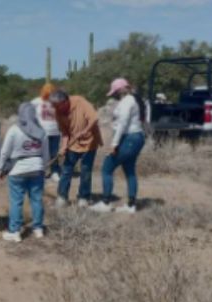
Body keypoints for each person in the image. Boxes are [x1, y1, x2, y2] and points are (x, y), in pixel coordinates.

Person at [0, 103, 49, 243]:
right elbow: (46, 154)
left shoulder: (14, 129)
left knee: (16, 202)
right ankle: (38, 228)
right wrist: (43, 168)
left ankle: (15, 231)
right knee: (36, 199)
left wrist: (0, 167)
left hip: (18, 169)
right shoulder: (41, 131)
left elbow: (5, 151)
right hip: (37, 168)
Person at [90, 78, 145, 214]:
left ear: (120, 90)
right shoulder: (133, 100)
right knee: (129, 170)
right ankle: (131, 205)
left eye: (114, 91)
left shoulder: (127, 102)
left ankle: (106, 202)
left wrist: (114, 144)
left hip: (129, 138)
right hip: (135, 137)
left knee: (107, 168)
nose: (114, 94)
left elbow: (122, 124)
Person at [49, 90, 103, 208]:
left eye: (56, 106)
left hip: (89, 143)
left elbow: (94, 119)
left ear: (65, 102)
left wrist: (84, 131)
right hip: (73, 145)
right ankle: (62, 197)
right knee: (66, 170)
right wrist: (63, 147)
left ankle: (83, 198)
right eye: (54, 106)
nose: (55, 109)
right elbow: (65, 133)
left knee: (85, 171)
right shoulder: (58, 113)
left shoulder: (80, 102)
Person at [31, 83, 61, 181]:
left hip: (55, 132)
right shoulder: (36, 101)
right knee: (40, 153)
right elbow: (28, 111)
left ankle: (55, 172)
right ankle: (41, 171)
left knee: (54, 153)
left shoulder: (57, 101)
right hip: (41, 132)